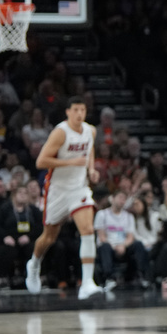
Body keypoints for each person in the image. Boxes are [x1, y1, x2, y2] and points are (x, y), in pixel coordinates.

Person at [25, 96, 103, 299]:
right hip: (57, 190)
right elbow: (41, 161)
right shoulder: (60, 133)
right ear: (68, 112)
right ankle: (34, 264)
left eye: (82, 110)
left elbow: (89, 149)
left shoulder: (90, 131)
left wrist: (91, 169)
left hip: (79, 188)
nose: (79, 114)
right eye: (75, 110)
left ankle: (87, 283)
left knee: (87, 230)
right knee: (49, 237)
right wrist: (70, 162)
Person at [94, 189, 151, 289]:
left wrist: (123, 246)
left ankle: (141, 276)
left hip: (123, 246)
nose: (122, 201)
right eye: (120, 198)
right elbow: (102, 236)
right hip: (109, 246)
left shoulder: (129, 216)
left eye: (124, 199)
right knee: (105, 247)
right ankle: (109, 279)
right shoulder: (102, 214)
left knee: (138, 244)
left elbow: (130, 237)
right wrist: (114, 247)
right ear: (112, 199)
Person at [0, 185, 43, 290]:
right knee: (6, 250)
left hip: (27, 239)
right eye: (20, 193)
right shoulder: (4, 209)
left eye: (25, 193)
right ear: (14, 195)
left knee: (36, 248)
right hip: (9, 240)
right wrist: (5, 237)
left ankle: (36, 277)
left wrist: (29, 236)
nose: (23, 195)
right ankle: (2, 279)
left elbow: (40, 226)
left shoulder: (33, 210)